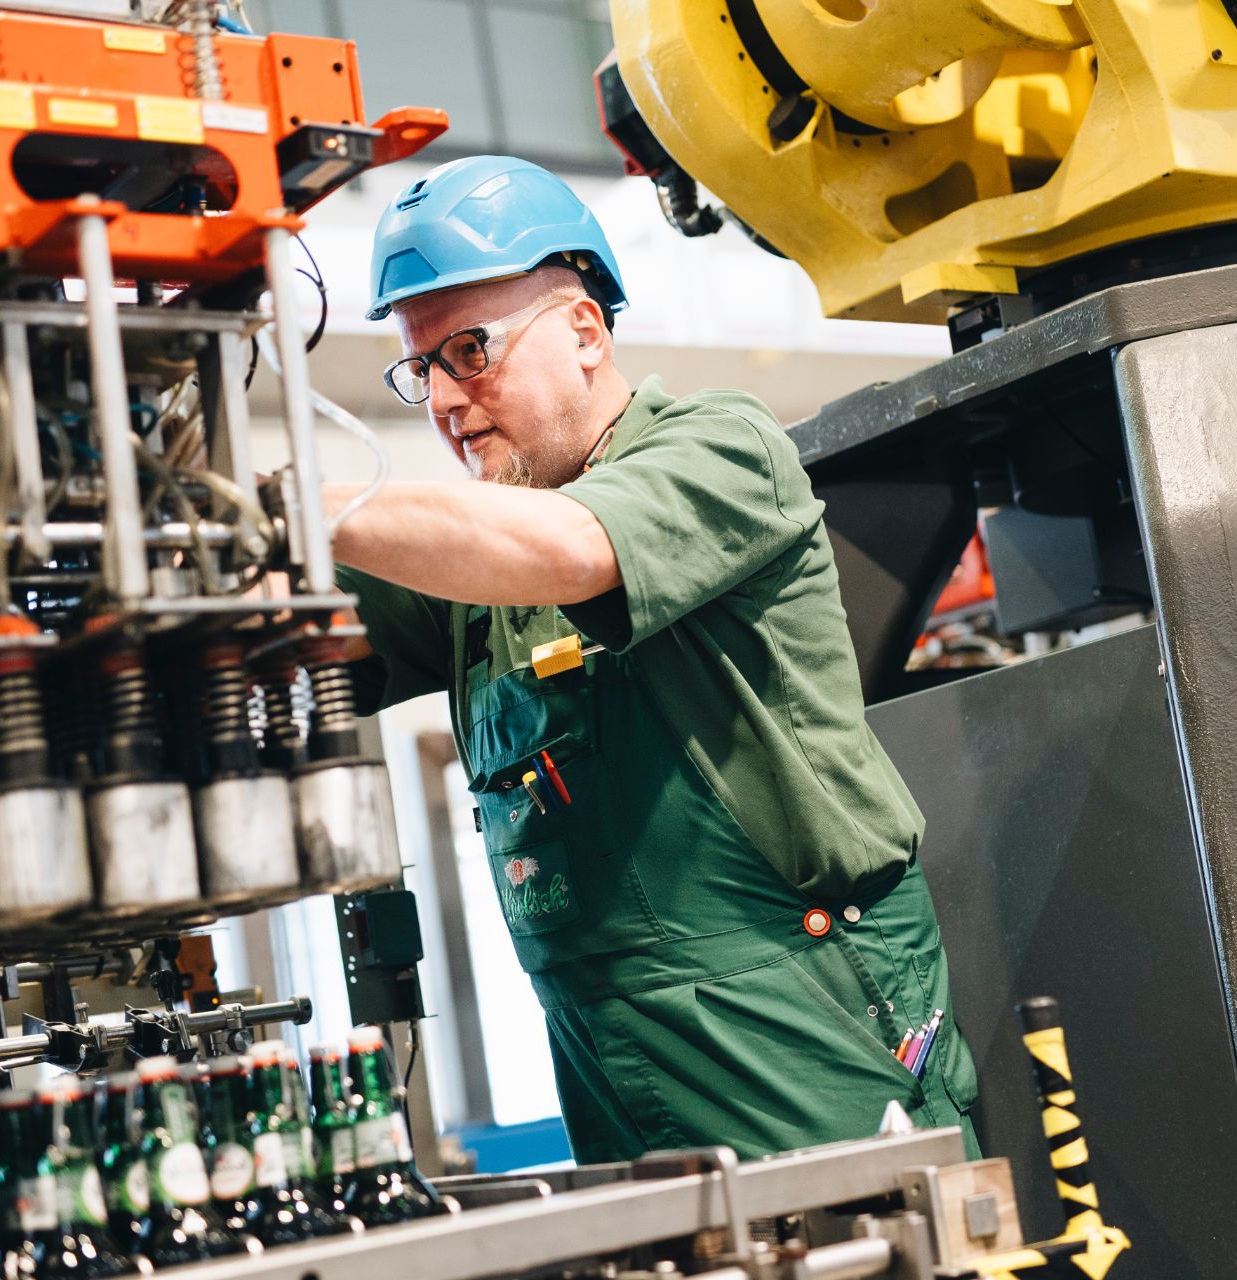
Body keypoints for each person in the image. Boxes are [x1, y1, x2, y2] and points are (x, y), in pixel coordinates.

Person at [327, 154, 978, 1163]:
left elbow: (577, 549)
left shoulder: (722, 446)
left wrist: (305, 502)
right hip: (604, 1042)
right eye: (421, 371)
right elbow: (292, 640)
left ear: (585, 331)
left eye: (469, 351)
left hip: (796, 1022)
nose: (445, 398)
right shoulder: (473, 555)